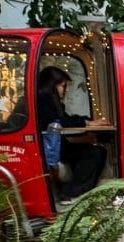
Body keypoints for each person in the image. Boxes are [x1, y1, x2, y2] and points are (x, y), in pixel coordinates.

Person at [29, 67, 108, 199]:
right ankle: (74, 194)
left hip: (55, 146)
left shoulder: (50, 102)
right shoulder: (42, 101)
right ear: (52, 85)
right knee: (94, 153)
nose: (65, 90)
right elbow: (60, 122)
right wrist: (87, 123)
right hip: (47, 149)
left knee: (95, 151)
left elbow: (66, 120)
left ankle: (77, 192)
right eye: (62, 86)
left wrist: (86, 123)